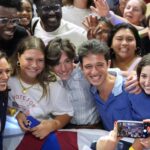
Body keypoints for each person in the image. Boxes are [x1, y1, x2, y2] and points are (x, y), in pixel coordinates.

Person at [8, 36, 73, 148]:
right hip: (9, 136)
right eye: (29, 59)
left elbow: (67, 113)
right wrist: (16, 113)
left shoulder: (52, 85)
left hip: (39, 137)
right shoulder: (6, 77)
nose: (34, 65)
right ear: (19, 57)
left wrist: (52, 125)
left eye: (40, 60)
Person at [78, 39, 133, 131]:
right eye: (88, 66)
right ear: (81, 68)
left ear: (108, 64)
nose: (94, 71)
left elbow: (147, 128)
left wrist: (117, 132)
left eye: (99, 65)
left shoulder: (131, 87)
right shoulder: (93, 91)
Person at [45, 37, 100, 128]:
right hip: (65, 130)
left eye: (67, 61)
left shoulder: (85, 72)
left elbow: (111, 73)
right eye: (57, 63)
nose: (63, 68)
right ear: (50, 65)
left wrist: (132, 75)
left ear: (73, 59)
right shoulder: (48, 81)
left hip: (93, 128)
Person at [0, 51, 11, 150]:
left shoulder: (3, 94)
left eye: (7, 71)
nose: (5, 77)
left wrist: (17, 114)